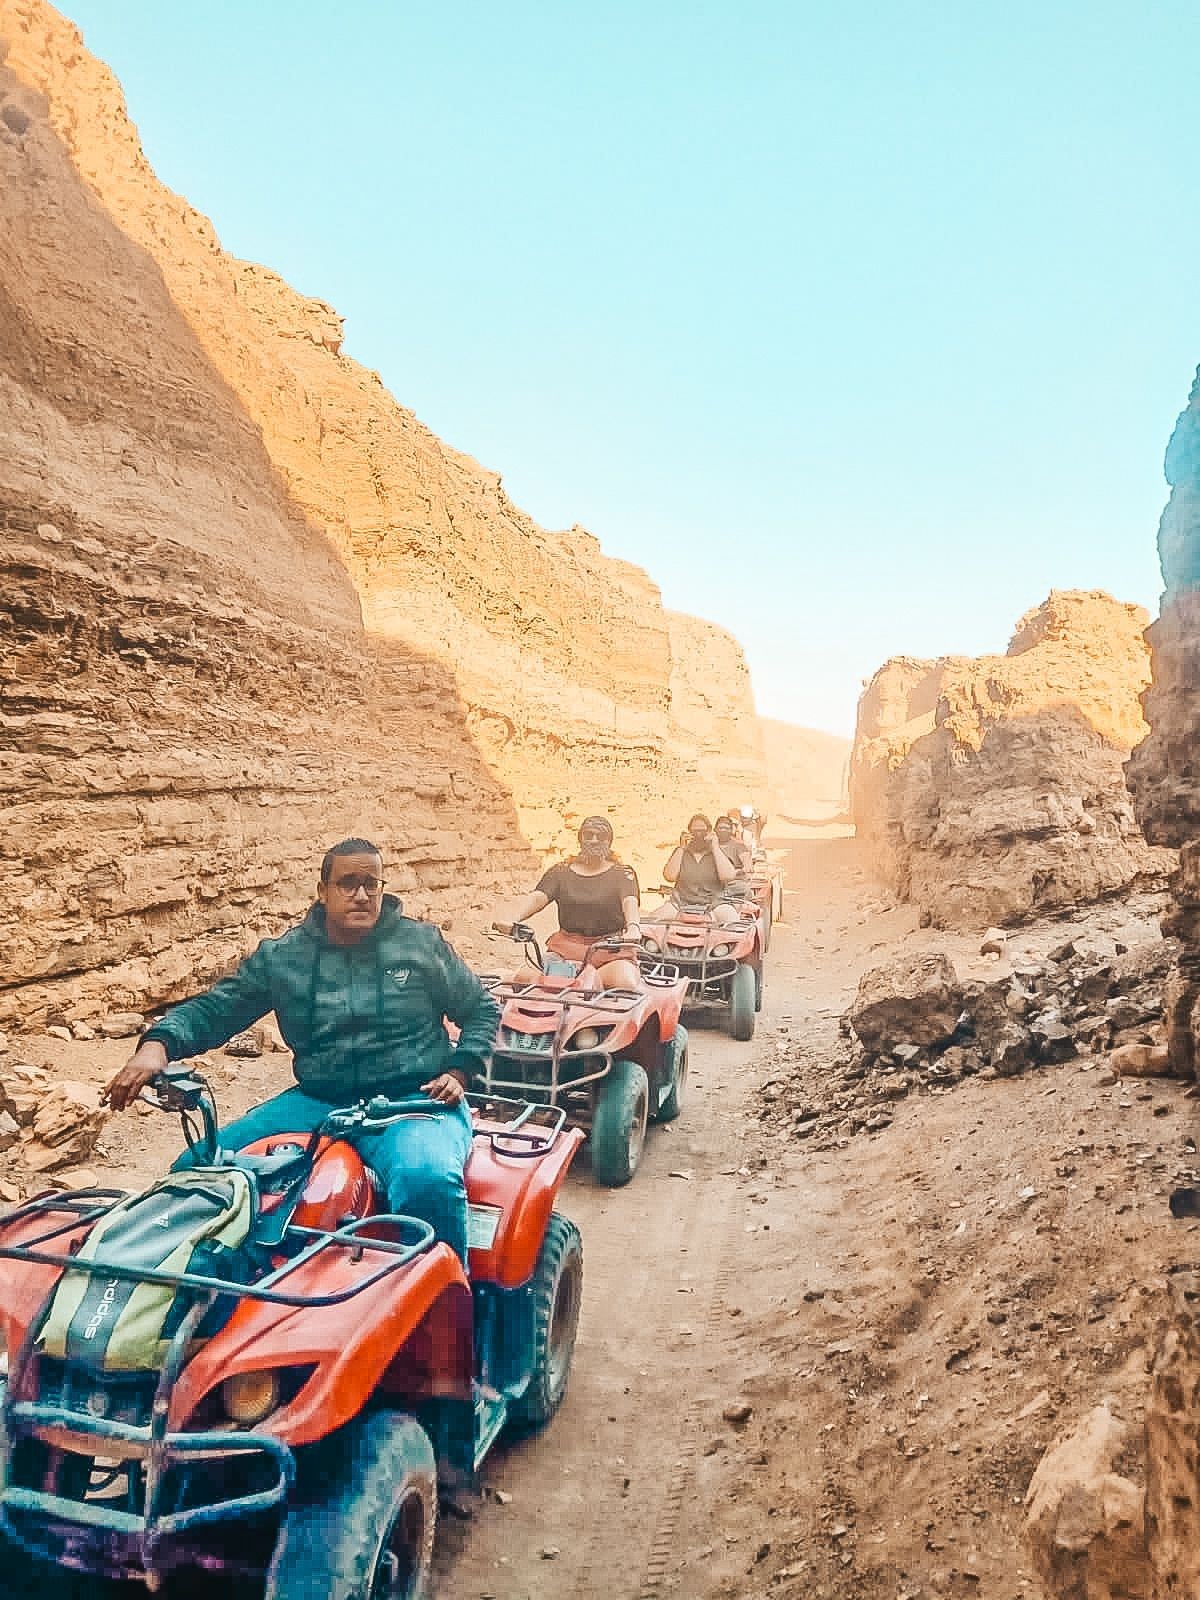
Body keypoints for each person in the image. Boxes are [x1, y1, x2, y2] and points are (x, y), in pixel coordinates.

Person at [104, 838, 500, 1265]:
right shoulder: (284, 957)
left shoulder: (421, 945)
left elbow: (480, 1009)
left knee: (428, 1180)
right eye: (348, 883)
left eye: (372, 883)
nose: (362, 895)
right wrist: (157, 1047)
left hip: (414, 1101)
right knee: (196, 1169)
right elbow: (216, 1009)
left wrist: (460, 1072)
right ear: (322, 890)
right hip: (317, 1101)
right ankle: (197, 1303)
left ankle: (444, 1318)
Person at [495, 817, 642, 989]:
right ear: (580, 838)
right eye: (589, 835)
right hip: (565, 950)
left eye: (600, 836)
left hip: (609, 950)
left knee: (624, 982)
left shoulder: (622, 874)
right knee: (523, 978)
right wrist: (514, 919)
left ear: (609, 841)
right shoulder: (560, 872)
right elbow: (537, 897)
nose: (594, 840)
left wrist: (633, 928)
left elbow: (630, 902)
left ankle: (587, 987)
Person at [657, 814, 740, 925]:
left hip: (714, 905)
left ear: (710, 832)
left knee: (733, 922)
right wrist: (681, 847)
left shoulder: (718, 853)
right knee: (652, 923)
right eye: (694, 831)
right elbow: (669, 876)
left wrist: (715, 846)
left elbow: (728, 876)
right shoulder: (681, 853)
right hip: (681, 904)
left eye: (702, 831)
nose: (698, 835)